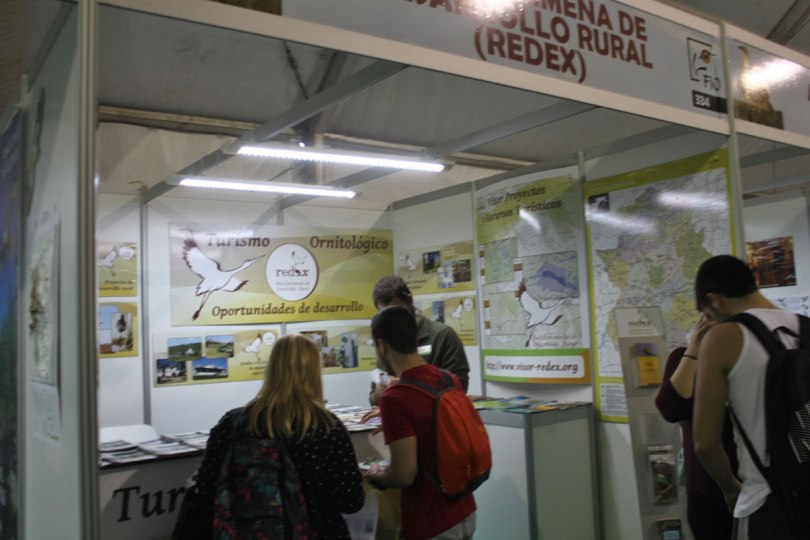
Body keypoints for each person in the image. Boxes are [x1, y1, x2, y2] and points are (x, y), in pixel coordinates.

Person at [193, 334, 365, 539]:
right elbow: (351, 501)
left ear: (272, 368)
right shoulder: (326, 428)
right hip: (317, 532)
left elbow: (206, 487)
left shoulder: (233, 423)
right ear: (314, 372)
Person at [692, 254, 800, 539]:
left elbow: (704, 443)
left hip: (766, 503)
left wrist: (730, 489)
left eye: (707, 315)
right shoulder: (804, 326)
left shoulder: (724, 337)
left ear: (715, 300)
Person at [365, 305, 477, 540]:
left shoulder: (395, 398)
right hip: (464, 509)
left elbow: (403, 475)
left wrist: (377, 475)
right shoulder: (449, 379)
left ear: (382, 346)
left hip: (430, 522)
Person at [655, 315, 737, 539]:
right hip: (706, 490)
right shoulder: (684, 359)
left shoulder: (751, 358)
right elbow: (670, 409)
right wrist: (694, 349)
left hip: (755, 485)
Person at [369, 276, 469, 406]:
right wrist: (380, 391)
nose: (392, 319)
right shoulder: (386, 341)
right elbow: (374, 399)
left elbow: (459, 388)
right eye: (385, 314)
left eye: (397, 310)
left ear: (409, 300)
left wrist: (406, 387)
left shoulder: (443, 335)